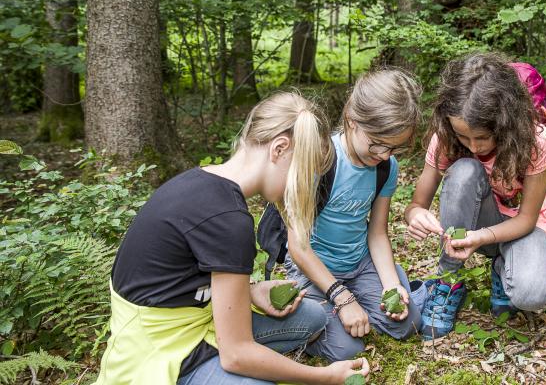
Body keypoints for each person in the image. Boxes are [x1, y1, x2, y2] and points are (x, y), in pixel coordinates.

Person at [95, 92, 370, 385]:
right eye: (304, 171)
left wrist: (250, 290)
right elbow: (236, 354)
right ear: (279, 149)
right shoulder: (229, 221)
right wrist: (325, 377)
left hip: (197, 320)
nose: (304, 185)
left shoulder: (199, 181)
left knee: (313, 316)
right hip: (160, 353)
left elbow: (179, 279)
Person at [404, 52, 546, 340]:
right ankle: (448, 280)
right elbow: (416, 204)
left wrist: (480, 237)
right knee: (464, 169)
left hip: (522, 228)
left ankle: (504, 269)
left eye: (483, 137)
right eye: (464, 137)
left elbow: (526, 220)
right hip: (479, 219)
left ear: (504, 124)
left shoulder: (536, 141)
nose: (474, 146)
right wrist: (415, 215)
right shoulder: (446, 137)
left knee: (531, 295)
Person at [285, 69, 423, 362]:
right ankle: (312, 311)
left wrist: (391, 285)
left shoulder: (387, 167)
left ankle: (377, 289)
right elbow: (298, 246)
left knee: (408, 323)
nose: (385, 154)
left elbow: (377, 233)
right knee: (347, 349)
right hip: (314, 267)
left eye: (395, 147)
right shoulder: (321, 160)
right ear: (351, 120)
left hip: (358, 263)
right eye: (377, 143)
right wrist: (341, 296)